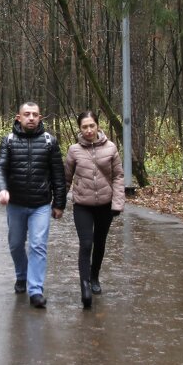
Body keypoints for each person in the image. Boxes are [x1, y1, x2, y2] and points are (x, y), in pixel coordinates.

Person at [0, 101, 66, 309]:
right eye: (27, 114)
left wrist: (59, 203)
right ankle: (21, 276)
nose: (31, 118)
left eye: (35, 114)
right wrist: (1, 190)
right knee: (16, 244)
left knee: (37, 245)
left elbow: (58, 175)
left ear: (40, 118)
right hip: (15, 204)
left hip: (40, 205)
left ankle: (35, 290)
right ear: (19, 118)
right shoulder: (8, 141)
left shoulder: (50, 141)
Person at [64, 111, 124, 309]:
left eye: (92, 126)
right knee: (86, 243)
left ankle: (94, 276)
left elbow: (118, 177)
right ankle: (84, 285)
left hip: (105, 205)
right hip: (82, 205)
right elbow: (66, 179)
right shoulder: (74, 150)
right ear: (79, 129)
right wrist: (58, 202)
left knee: (99, 243)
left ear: (98, 125)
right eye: (84, 127)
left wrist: (117, 203)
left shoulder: (111, 147)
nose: (88, 130)